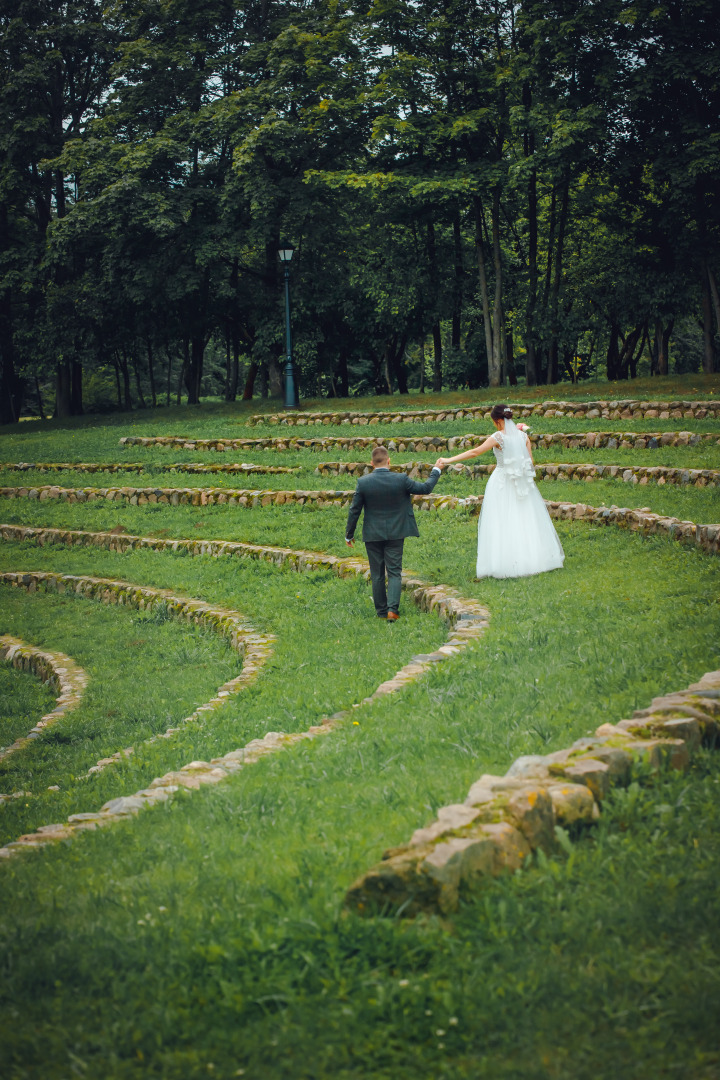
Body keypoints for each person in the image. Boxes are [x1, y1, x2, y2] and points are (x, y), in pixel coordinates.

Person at [437, 405, 564, 579]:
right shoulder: (523, 436)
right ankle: (534, 559)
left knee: (501, 520)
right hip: (522, 482)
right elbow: (530, 462)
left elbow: (475, 452)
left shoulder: (497, 437)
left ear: (497, 421)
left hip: (501, 481)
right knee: (525, 518)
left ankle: (505, 562)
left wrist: (448, 459)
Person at [345, 446, 444, 619]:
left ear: (371, 463)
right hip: (396, 533)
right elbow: (425, 488)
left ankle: (381, 612)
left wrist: (349, 534)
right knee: (394, 572)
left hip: (372, 534)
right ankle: (393, 610)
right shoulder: (401, 479)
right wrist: (436, 470)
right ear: (389, 461)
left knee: (376, 574)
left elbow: (355, 510)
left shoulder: (363, 482)